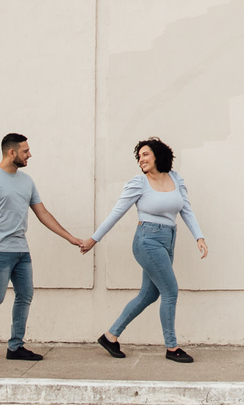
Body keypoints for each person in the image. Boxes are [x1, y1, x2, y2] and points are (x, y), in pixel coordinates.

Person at [0, 133, 84, 365]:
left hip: (21, 251)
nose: (30, 154)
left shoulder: (27, 181)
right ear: (12, 152)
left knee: (25, 296)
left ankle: (15, 346)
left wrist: (70, 238)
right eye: (25, 151)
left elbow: (43, 213)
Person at [80, 137, 207, 363]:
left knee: (149, 294)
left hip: (168, 239)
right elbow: (116, 213)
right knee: (170, 291)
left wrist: (199, 236)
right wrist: (94, 239)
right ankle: (172, 347)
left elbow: (186, 209)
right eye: (139, 157)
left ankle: (111, 336)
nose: (141, 160)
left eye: (145, 154)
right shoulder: (139, 183)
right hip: (147, 240)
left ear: (158, 154)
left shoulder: (176, 179)